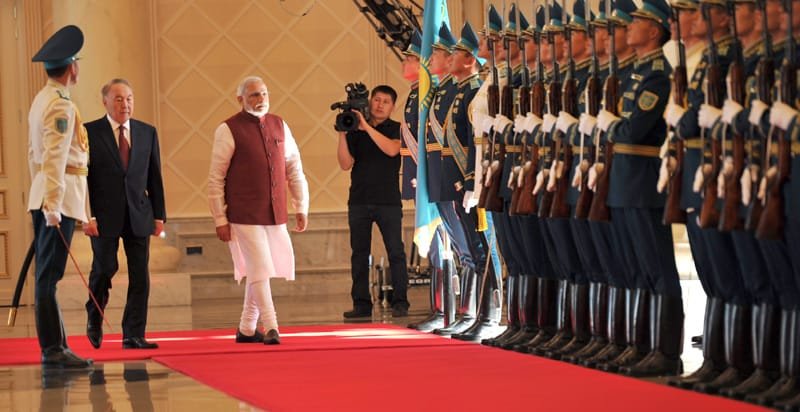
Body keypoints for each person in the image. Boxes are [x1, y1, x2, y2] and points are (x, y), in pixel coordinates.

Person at [208, 76, 309, 344]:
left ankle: (247, 328)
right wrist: (220, 218)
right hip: (243, 213)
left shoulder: (280, 125)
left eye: (264, 93)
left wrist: (301, 205)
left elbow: (294, 167)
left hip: (275, 211)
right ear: (240, 99)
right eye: (254, 95)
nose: (261, 99)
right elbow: (216, 178)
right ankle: (272, 325)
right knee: (260, 266)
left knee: (260, 268)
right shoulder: (228, 129)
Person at [27, 25, 92, 369]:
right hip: (58, 201)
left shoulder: (43, 99)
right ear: (71, 67)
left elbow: (33, 156)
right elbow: (54, 158)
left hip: (49, 196)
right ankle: (53, 349)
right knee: (48, 277)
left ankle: (57, 345)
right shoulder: (60, 106)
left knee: (47, 276)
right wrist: (52, 204)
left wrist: (42, 195)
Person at [83, 78, 166, 350]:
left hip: (139, 214)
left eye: (129, 98)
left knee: (140, 275)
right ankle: (94, 315)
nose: (125, 104)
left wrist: (159, 216)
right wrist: (87, 216)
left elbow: (154, 176)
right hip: (103, 217)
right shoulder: (89, 132)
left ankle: (133, 333)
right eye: (118, 99)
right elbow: (83, 179)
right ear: (105, 102)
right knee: (104, 268)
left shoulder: (147, 132)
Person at [337, 85, 410, 319]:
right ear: (369, 102)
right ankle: (361, 304)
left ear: (393, 106)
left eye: (385, 101)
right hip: (359, 200)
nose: (379, 105)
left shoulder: (397, 128)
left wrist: (366, 127)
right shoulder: (355, 130)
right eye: (376, 100)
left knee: (396, 252)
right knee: (359, 253)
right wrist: (342, 132)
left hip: (388, 201)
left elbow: (392, 150)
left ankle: (400, 302)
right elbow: (345, 164)